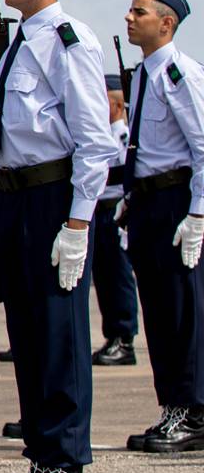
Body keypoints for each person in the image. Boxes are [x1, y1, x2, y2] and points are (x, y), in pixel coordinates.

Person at [0, 0, 111, 473]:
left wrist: (78, 225)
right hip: (14, 201)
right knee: (27, 338)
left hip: (53, 201)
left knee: (58, 334)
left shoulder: (67, 39)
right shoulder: (21, 41)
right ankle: (41, 462)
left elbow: (94, 143)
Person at [118, 0, 204, 453]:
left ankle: (194, 410)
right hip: (150, 202)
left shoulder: (180, 74)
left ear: (166, 23)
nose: (129, 19)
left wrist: (198, 215)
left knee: (183, 311)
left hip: (177, 203)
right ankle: (173, 404)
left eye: (139, 13)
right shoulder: (147, 75)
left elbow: (203, 147)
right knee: (159, 310)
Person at [91, 74, 140, 366]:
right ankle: (112, 336)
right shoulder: (100, 135)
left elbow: (127, 177)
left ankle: (124, 339)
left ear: (119, 105)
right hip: (99, 211)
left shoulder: (123, 136)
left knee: (119, 277)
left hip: (115, 211)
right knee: (104, 278)